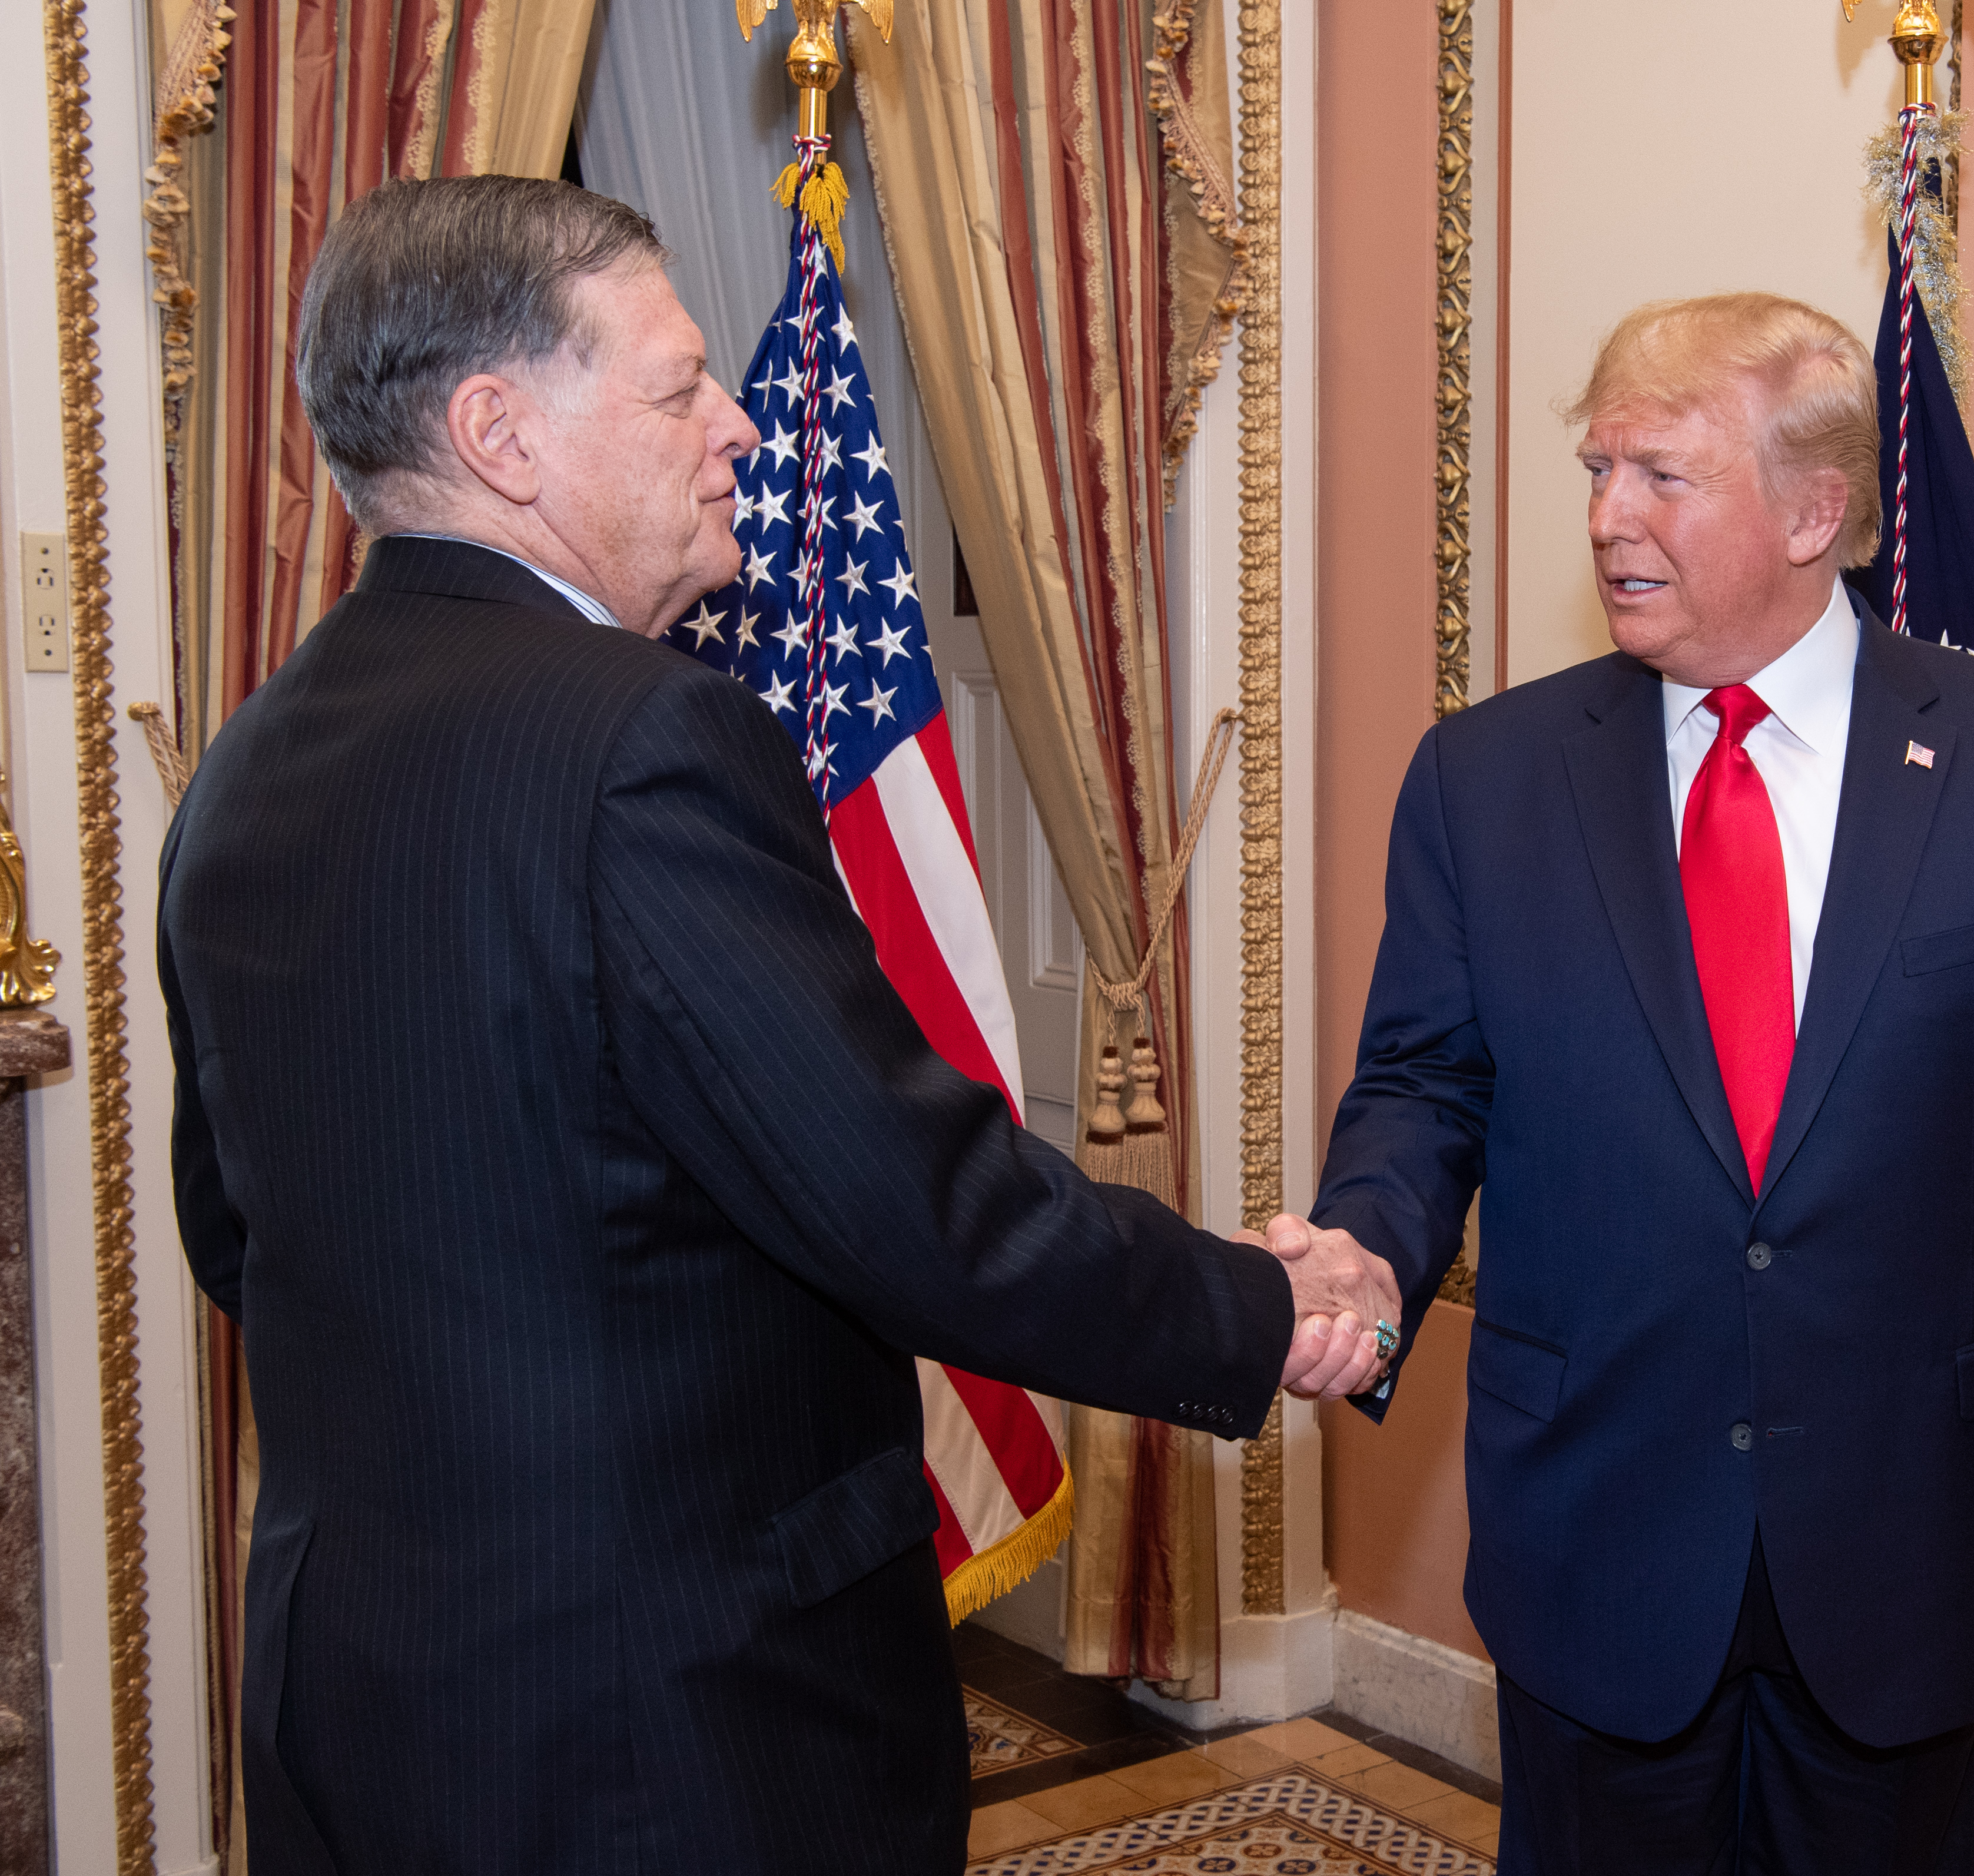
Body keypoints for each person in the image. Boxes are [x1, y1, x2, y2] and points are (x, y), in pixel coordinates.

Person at [160, 175, 1398, 1876]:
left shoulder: (244, 764)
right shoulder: (645, 744)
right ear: (500, 435)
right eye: (678, 386)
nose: (738, 425)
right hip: (667, 1733)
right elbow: (915, 1204)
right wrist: (1264, 1305)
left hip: (362, 1706)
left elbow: (235, 1236)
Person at [1313, 292, 1974, 1874]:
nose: (1609, 517)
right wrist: (1369, 1246)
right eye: (1598, 471)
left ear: (1813, 513)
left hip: (1915, 1549)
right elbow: (1423, 1086)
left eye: (1662, 475)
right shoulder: (1486, 778)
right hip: (1599, 1542)